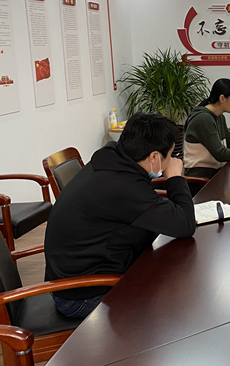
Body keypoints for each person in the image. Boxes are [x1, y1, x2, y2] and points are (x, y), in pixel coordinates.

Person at [44, 113, 197, 319]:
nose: (172, 161)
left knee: (170, 281)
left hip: (83, 275)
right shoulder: (123, 185)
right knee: (173, 307)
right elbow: (185, 224)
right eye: (169, 156)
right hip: (82, 294)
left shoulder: (113, 159)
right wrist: (175, 178)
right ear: (154, 157)